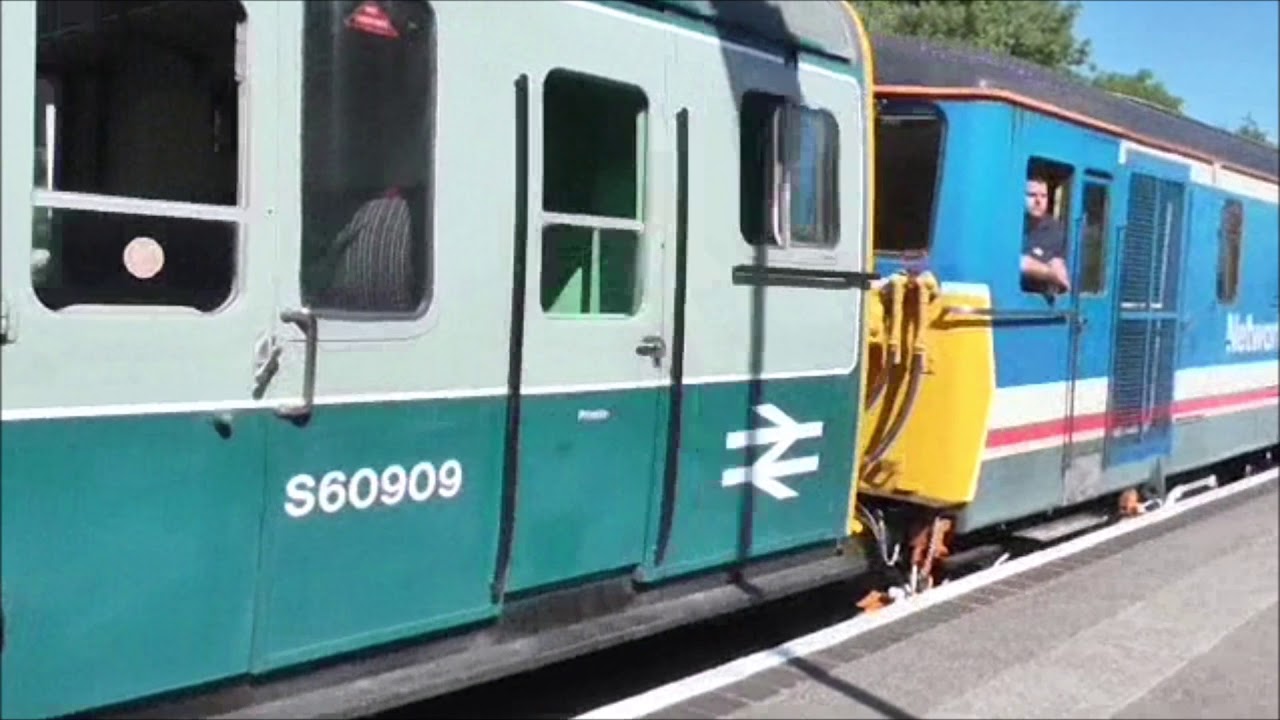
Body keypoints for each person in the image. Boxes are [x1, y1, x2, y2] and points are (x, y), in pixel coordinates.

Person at [1020, 176, 1071, 294]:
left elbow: (1061, 273)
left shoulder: (1056, 230)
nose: (1038, 201)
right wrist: (1048, 272)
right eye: (1031, 195)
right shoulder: (1009, 224)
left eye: (1043, 196)